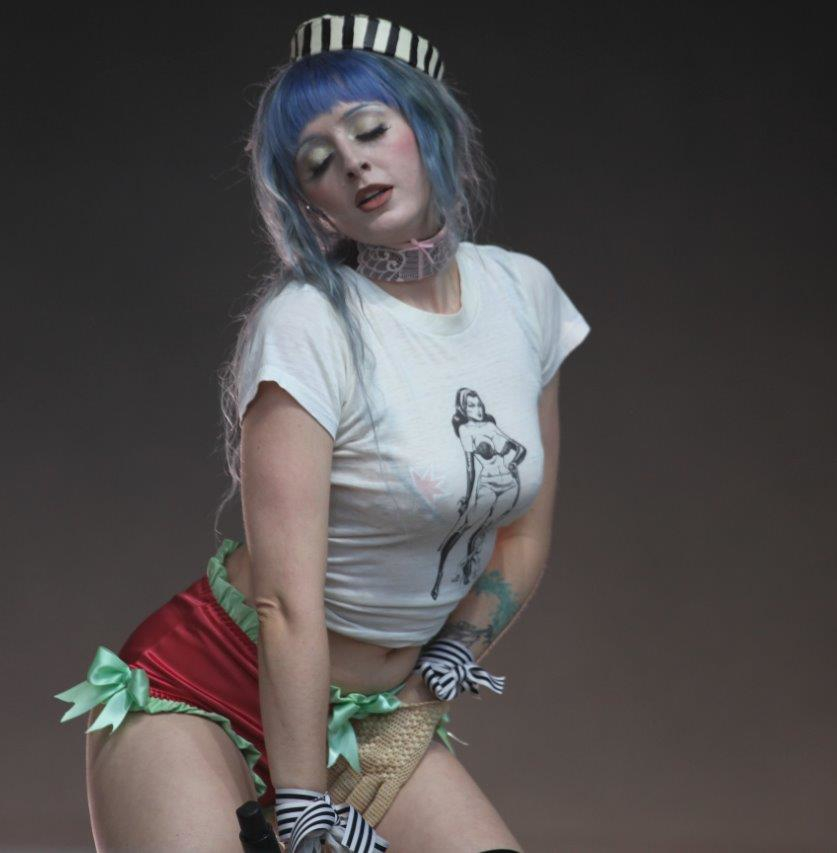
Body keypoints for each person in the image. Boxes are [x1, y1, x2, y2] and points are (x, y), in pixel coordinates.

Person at [55, 13, 590, 853]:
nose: (354, 162)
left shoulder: (525, 297)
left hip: (371, 711)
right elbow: (284, 600)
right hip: (207, 684)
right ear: (311, 200)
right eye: (317, 160)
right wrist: (304, 806)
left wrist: (426, 690)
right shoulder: (305, 325)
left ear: (427, 125)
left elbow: (522, 535)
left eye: (371, 129)